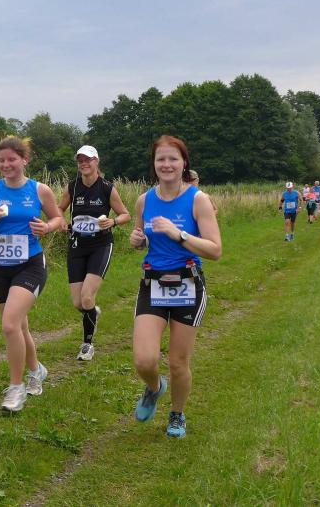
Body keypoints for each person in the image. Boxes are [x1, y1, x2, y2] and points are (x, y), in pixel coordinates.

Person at [129, 135, 221, 438]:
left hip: (188, 283)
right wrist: (137, 240)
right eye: (161, 159)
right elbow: (142, 237)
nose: (166, 164)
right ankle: (155, 387)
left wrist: (178, 234)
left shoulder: (198, 200)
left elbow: (215, 250)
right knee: (144, 360)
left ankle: (177, 414)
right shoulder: (144, 200)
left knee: (178, 362)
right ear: (154, 164)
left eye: (173, 159)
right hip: (153, 283)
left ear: (184, 163)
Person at [0, 136, 64, 412]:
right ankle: (36, 370)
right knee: (19, 326)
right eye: (1, 160)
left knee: (10, 325)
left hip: (30, 264)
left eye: (12, 159)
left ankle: (16, 388)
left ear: (24, 160)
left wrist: (47, 227)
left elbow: (58, 218)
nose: (6, 164)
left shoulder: (39, 190)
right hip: (0, 267)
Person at [58, 145, 130, 361]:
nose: (84, 164)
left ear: (96, 162)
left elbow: (125, 214)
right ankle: (91, 312)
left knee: (87, 296)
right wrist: (60, 221)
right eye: (80, 161)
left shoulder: (107, 188)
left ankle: (87, 345)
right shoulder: (73, 187)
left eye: (87, 160)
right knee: (78, 303)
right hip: (77, 245)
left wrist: (113, 221)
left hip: (101, 245)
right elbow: (59, 209)